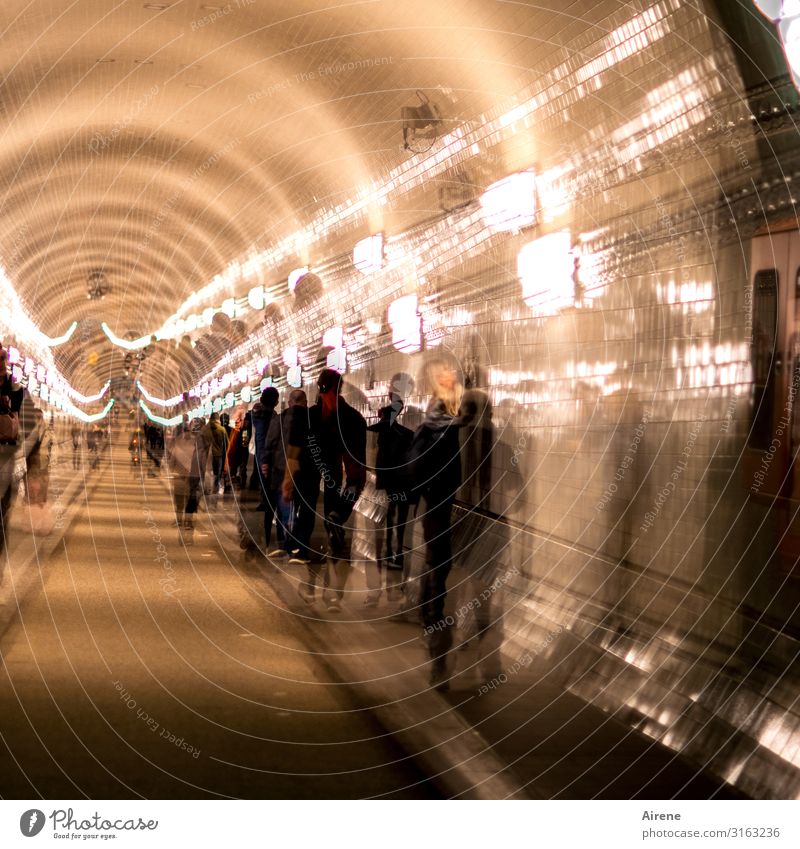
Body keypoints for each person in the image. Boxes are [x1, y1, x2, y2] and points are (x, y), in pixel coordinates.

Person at [286, 369, 366, 612]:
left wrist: (287, 481)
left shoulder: (306, 416)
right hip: (335, 485)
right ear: (341, 388)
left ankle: (312, 587)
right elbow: (356, 466)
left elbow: (294, 452)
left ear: (318, 389)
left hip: (310, 483)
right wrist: (345, 502)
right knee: (335, 537)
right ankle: (333, 595)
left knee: (313, 534)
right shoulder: (353, 417)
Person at [409, 356, 463, 691]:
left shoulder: (446, 414)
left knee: (438, 561)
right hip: (439, 497)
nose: (450, 374)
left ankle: (431, 609)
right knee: (438, 561)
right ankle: (432, 613)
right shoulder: (439, 417)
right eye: (444, 371)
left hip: (441, 496)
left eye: (452, 370)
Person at [365, 373, 414, 606]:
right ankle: (385, 590)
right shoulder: (391, 423)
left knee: (391, 540)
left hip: (393, 488)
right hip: (390, 488)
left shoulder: (401, 423)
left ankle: (388, 590)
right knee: (391, 540)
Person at [264, 388, 307, 558]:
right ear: (305, 402)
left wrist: (266, 461)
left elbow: (270, 442)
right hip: (303, 470)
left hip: (281, 467)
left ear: (289, 402)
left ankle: (286, 543)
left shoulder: (280, 419)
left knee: (284, 505)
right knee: (300, 507)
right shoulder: (309, 419)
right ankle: (297, 543)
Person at [0, 346, 24, 557]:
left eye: (1, 358)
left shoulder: (14, 387)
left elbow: (16, 420)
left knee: (3, 508)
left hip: (6, 453)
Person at [250, 387, 280, 549]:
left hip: (260, 454)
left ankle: (265, 503)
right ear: (274, 401)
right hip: (268, 455)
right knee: (270, 486)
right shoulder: (270, 417)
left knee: (265, 483)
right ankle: (269, 532)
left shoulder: (257, 413)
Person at [202, 412, 229, 494]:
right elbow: (227, 443)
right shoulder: (222, 429)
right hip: (218, 454)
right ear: (218, 419)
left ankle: (206, 488)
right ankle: (215, 488)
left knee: (207, 471)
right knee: (217, 472)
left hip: (207, 454)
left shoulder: (205, 429)